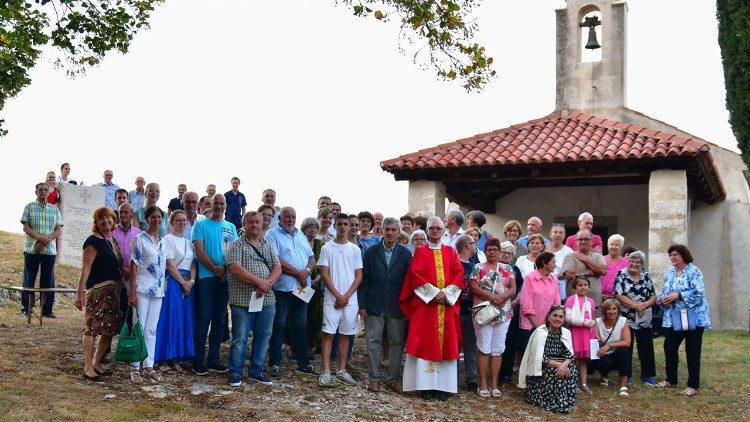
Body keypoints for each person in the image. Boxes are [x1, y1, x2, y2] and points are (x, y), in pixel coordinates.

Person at [399, 216, 464, 401]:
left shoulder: (450, 252)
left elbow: (459, 276)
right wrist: (434, 293)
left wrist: (446, 294)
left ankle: (443, 387)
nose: (435, 231)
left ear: (443, 231)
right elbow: (415, 276)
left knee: (446, 346)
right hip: (427, 308)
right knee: (425, 344)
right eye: (432, 228)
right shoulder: (420, 252)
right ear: (427, 231)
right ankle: (425, 386)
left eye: (438, 228)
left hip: (446, 306)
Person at [226, 211, 281, 387]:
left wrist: (267, 284)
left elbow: (277, 267)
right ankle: (235, 372)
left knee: (264, 335)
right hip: (242, 299)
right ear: (245, 224)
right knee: (240, 337)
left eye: (257, 222)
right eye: (251, 222)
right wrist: (260, 282)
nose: (255, 225)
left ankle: (257, 370)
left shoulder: (267, 244)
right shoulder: (236, 245)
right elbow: (235, 268)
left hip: (266, 299)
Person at [359, 217, 411, 393]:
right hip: (374, 303)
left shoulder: (405, 254)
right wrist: (362, 304)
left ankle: (393, 378)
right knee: (373, 341)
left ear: (398, 232)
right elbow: (364, 280)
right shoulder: (371, 252)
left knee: (397, 342)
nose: (390, 233)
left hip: (396, 306)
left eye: (393, 230)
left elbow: (408, 282)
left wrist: (407, 305)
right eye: (387, 229)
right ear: (382, 231)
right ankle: (375, 378)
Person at [265, 207, 318, 377]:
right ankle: (275, 363)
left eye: (293, 217)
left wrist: (307, 272)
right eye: (287, 217)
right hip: (283, 287)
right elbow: (275, 258)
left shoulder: (300, 235)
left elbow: (311, 258)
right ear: (280, 218)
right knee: (279, 324)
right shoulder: (272, 234)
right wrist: (297, 273)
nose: (290, 220)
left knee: (300, 326)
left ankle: (303, 362)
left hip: (303, 287)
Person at [75, 207, 123, 381]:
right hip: (97, 291)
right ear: (96, 222)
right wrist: (80, 293)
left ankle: (96, 362)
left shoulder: (112, 241)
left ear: (113, 220)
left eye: (108, 218)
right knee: (92, 328)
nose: (106, 221)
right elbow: (85, 267)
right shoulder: (92, 241)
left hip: (113, 291)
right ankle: (87, 366)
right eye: (101, 218)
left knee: (109, 329)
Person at [656, 244, 711, 397]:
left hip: (694, 317)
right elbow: (664, 291)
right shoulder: (670, 273)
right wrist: (663, 300)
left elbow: (699, 292)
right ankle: (671, 379)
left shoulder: (694, 271)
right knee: (669, 346)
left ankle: (693, 385)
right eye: (670, 255)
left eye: (675, 255)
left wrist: (678, 295)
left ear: (684, 255)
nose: (672, 257)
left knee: (692, 350)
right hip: (675, 317)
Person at [191, 193, 237, 375]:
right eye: (215, 203)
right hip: (206, 278)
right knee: (203, 318)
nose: (218, 206)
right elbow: (199, 250)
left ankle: (214, 358)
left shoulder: (231, 227)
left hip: (225, 279)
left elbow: (233, 251)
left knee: (220, 319)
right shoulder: (200, 225)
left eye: (221, 203)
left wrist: (225, 269)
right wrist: (215, 268)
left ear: (225, 205)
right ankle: (198, 359)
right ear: (210, 205)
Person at [317, 213, 363, 387]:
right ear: (335, 226)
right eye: (340, 224)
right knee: (328, 334)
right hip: (332, 299)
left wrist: (346, 296)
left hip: (350, 299)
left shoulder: (355, 249)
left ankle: (342, 370)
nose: (343, 227)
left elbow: (359, 276)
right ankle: (326, 371)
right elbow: (325, 274)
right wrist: (338, 295)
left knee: (345, 335)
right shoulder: (326, 248)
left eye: (346, 224)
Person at [469, 237, 516, 398]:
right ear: (485, 250)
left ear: (499, 251)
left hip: (503, 313)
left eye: (495, 249)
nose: (492, 252)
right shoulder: (478, 267)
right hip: (484, 312)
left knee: (497, 349)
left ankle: (494, 383)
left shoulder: (507, 268)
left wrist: (501, 298)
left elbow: (513, 288)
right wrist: (491, 297)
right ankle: (482, 383)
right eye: (489, 249)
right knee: (484, 347)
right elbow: (473, 286)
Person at [154, 210, 197, 375]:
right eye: (178, 220)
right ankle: (165, 357)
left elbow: (193, 264)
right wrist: (183, 283)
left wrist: (191, 281)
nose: (181, 222)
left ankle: (177, 357)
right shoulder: (167, 240)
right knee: (171, 318)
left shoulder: (189, 242)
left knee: (182, 320)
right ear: (171, 222)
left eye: (184, 220)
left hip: (187, 283)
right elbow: (170, 264)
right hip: (174, 282)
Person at [129, 205, 167, 383]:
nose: (157, 220)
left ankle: (148, 364)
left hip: (158, 290)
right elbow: (134, 264)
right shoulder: (139, 239)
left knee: (152, 329)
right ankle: (135, 367)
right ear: (147, 219)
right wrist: (132, 291)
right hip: (142, 288)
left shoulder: (163, 241)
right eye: (153, 217)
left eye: (159, 217)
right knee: (140, 327)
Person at [519, 305, 577, 413]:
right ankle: (556, 402)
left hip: (560, 363)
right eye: (555, 315)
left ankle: (565, 399)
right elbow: (539, 358)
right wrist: (560, 365)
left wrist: (564, 365)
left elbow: (569, 354)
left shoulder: (566, 332)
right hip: (543, 367)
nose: (557, 319)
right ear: (548, 317)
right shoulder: (540, 332)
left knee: (571, 369)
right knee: (555, 373)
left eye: (561, 316)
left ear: (564, 319)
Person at [20, 182, 64, 318]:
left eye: (46, 190)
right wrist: (39, 238)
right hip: (32, 250)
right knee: (29, 279)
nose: (43, 192)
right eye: (40, 190)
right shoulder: (29, 207)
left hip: (49, 251)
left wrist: (47, 240)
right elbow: (26, 227)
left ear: (48, 192)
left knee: (48, 281)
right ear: (36, 192)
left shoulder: (54, 210)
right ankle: (26, 309)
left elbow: (59, 229)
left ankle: (47, 311)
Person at [614, 250, 657, 386]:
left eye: (638, 262)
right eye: (632, 261)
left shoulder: (645, 275)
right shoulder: (622, 274)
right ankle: (627, 375)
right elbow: (618, 295)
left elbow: (653, 295)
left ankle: (647, 375)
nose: (634, 264)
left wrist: (645, 304)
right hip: (627, 317)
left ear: (642, 263)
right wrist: (636, 306)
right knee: (627, 346)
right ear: (628, 261)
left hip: (644, 317)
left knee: (646, 346)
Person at [518, 252, 560, 358]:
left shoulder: (553, 279)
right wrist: (539, 328)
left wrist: (551, 324)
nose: (555, 265)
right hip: (530, 325)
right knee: (530, 356)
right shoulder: (529, 278)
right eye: (553, 262)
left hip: (548, 325)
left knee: (544, 356)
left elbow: (557, 304)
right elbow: (526, 305)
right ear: (544, 263)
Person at [591, 298, 632, 396]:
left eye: (614, 309)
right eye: (608, 309)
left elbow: (627, 342)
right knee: (599, 358)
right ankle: (604, 376)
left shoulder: (623, 321)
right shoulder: (597, 322)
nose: (612, 312)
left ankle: (623, 386)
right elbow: (595, 339)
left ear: (618, 310)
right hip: (603, 353)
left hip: (617, 352)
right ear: (604, 311)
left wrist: (609, 345)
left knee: (624, 352)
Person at [562, 229, 607, 315]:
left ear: (591, 241)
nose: (583, 241)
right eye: (580, 239)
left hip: (595, 303)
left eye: (586, 239)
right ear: (576, 241)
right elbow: (570, 274)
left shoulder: (598, 256)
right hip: (574, 303)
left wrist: (586, 259)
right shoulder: (570, 256)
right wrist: (593, 272)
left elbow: (603, 271)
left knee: (593, 327)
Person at [564, 276, 597, 394]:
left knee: (583, 360)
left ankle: (583, 383)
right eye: (580, 285)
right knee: (573, 358)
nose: (583, 287)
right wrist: (583, 322)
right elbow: (568, 318)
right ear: (575, 287)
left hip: (587, 333)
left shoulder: (591, 301)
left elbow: (593, 318)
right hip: (575, 332)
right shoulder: (571, 300)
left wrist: (594, 331)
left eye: (585, 285)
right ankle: (572, 383)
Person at [498, 241, 525, 384]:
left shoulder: (515, 270)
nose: (507, 255)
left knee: (510, 342)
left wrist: (514, 302)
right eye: (504, 252)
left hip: (512, 309)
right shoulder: (492, 267)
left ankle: (506, 373)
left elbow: (521, 289)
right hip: (495, 308)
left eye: (510, 253)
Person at [456, 234, 479, 393]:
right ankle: (452, 378)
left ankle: (472, 379)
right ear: (467, 246)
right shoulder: (453, 264)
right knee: (454, 347)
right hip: (455, 311)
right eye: (473, 243)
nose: (475, 246)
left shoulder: (475, 267)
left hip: (470, 312)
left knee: (470, 347)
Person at [112, 202, 139, 337]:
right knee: (117, 311)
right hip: (116, 277)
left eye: (126, 212)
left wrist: (131, 269)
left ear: (132, 215)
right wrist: (121, 267)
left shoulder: (138, 234)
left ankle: (129, 342)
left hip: (133, 278)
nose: (123, 215)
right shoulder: (112, 232)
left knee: (130, 311)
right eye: (121, 212)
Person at [301, 217, 325, 353]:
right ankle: (297, 346)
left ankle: (312, 344)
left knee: (316, 316)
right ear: (304, 228)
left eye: (315, 227)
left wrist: (318, 278)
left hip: (317, 285)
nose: (313, 230)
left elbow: (324, 263)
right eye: (310, 227)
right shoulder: (300, 242)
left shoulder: (321, 243)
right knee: (301, 315)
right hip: (301, 283)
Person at [547, 223, 574, 301]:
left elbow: (570, 272)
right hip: (544, 287)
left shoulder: (569, 251)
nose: (558, 235)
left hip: (562, 290)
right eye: (555, 232)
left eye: (561, 232)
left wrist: (551, 277)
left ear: (564, 236)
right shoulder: (543, 248)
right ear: (550, 234)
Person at [601, 234, 627, 299]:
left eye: (616, 245)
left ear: (621, 247)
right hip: (599, 297)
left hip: (616, 299)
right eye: (611, 244)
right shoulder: (601, 260)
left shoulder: (625, 263)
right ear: (608, 246)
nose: (613, 247)